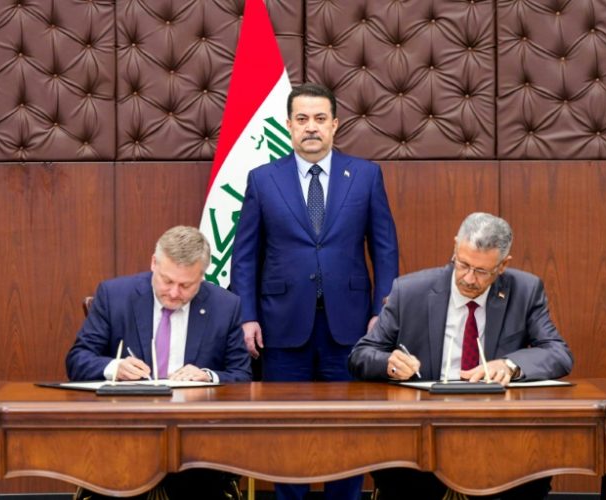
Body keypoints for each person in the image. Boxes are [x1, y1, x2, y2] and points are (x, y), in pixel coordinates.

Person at [230, 82, 399, 500]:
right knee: (286, 430)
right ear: (288, 125)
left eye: (320, 119)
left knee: (348, 428)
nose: (311, 128)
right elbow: (246, 255)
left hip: (352, 326)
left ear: (335, 125)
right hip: (281, 326)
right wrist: (246, 315)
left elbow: (385, 248)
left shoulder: (365, 175)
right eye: (302, 119)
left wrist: (384, 310)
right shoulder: (262, 179)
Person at [349, 212, 573, 500]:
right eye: (463, 264)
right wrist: (389, 364)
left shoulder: (525, 291)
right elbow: (360, 355)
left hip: (496, 430)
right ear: (455, 247)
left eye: (482, 271)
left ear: (503, 265)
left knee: (532, 472)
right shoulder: (410, 291)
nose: (469, 278)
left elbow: (558, 352)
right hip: (424, 431)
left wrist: (510, 365)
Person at [66, 225, 251, 499]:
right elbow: (77, 360)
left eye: (186, 285)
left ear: (203, 275)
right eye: (167, 281)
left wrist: (208, 376)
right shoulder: (114, 296)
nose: (175, 293)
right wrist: (113, 367)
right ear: (154, 263)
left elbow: (242, 376)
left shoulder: (226, 306)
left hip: (196, 443)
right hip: (125, 436)